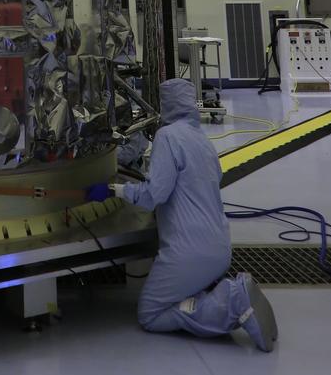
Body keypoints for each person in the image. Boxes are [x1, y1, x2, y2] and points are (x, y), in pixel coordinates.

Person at [87, 78, 277, 350]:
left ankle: (233, 300)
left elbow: (155, 195)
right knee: (179, 298)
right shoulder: (202, 139)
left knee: (150, 314)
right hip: (220, 249)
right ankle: (216, 299)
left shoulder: (168, 136)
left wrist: (114, 190)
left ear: (166, 106)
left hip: (189, 253)